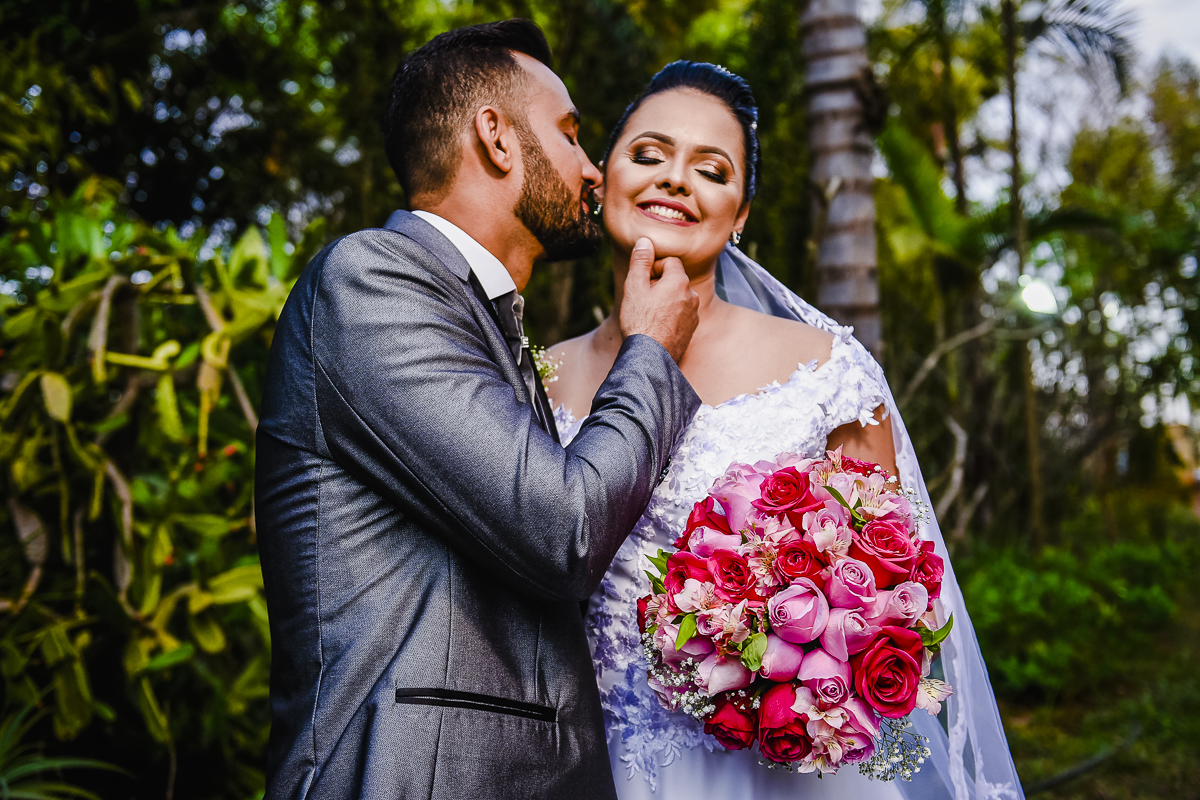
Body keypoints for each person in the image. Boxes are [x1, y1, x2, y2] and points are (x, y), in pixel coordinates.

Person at [547, 62, 1025, 800]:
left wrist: (780, 642)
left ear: (740, 214)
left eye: (711, 169)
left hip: (780, 770)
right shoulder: (537, 378)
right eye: (647, 155)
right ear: (603, 175)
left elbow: (898, 596)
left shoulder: (825, 370)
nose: (674, 180)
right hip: (590, 760)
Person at [255, 21, 703, 800]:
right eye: (568, 135)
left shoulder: (484, 319)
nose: (593, 170)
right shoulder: (370, 280)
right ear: (496, 137)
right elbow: (562, 527)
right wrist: (653, 352)